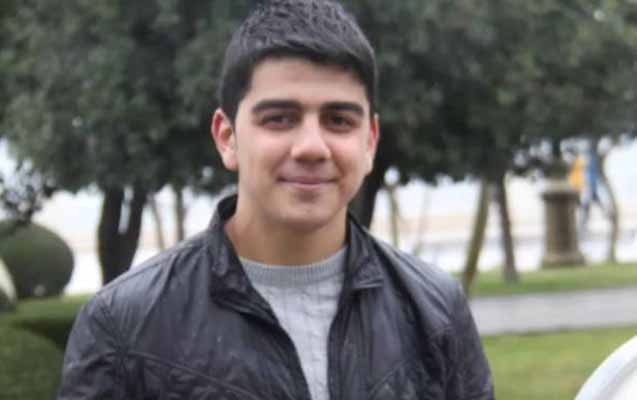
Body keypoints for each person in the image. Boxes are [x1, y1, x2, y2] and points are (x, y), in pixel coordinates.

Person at [57, 0, 493, 399]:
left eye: (339, 120)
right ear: (227, 137)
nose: (311, 147)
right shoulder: (124, 326)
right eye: (280, 118)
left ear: (370, 142)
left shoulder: (435, 311)